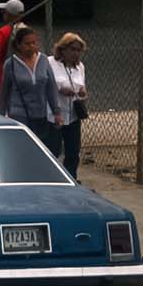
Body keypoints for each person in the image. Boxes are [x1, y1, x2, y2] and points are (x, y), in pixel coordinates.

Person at [0, 26, 63, 152]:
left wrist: (57, 112)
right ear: (19, 45)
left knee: (40, 149)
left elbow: (51, 87)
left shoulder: (43, 60)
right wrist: (1, 117)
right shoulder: (10, 64)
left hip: (40, 114)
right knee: (22, 149)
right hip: (19, 114)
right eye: (27, 44)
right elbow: (4, 93)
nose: (32, 46)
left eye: (34, 43)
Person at [48, 33, 89, 180]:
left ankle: (71, 178)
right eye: (73, 49)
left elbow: (81, 85)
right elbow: (48, 83)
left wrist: (82, 91)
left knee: (73, 151)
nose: (76, 53)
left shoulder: (80, 67)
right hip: (55, 114)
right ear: (63, 49)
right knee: (54, 149)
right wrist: (60, 87)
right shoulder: (51, 62)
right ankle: (52, 178)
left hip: (73, 114)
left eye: (79, 50)